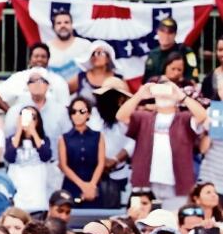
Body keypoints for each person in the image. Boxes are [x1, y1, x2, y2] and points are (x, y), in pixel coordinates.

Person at [117, 79, 208, 210]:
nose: (164, 95)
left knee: (173, 223)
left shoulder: (184, 118)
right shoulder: (143, 117)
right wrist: (139, 95)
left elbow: (202, 115)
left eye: (167, 91)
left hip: (177, 185)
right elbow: (121, 116)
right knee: (141, 222)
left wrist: (181, 96)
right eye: (160, 91)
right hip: (144, 184)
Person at [58, 97, 105, 206]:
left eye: (82, 111)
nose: (77, 115)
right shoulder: (64, 138)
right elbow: (63, 165)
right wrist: (83, 185)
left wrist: (92, 185)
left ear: (88, 114)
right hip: (72, 185)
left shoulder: (98, 136)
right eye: (73, 112)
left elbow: (101, 163)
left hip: (94, 184)